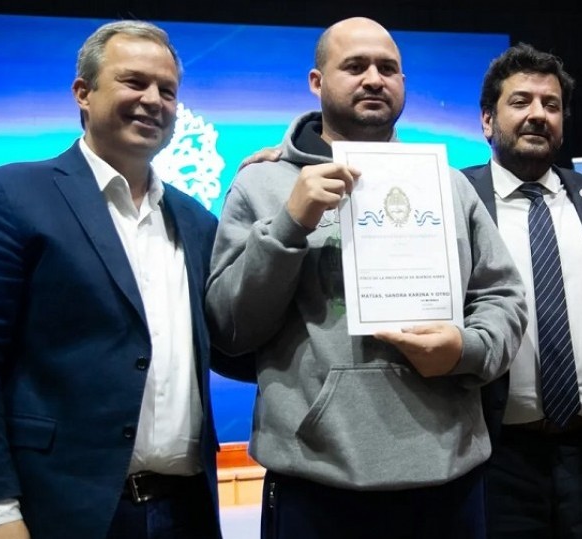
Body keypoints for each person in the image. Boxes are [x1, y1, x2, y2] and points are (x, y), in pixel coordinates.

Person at [205, 16, 527, 539]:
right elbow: (230, 329)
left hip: (448, 477)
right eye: (354, 66)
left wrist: (464, 348)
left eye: (388, 68)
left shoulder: (448, 185)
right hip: (314, 483)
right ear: (317, 82)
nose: (374, 78)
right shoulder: (261, 185)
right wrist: (291, 222)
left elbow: (502, 297)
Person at [0, 21, 222, 539]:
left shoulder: (197, 222)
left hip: (186, 512)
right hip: (55, 513)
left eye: (167, 90)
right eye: (133, 82)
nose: (153, 100)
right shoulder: (8, 196)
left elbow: (234, 341)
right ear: (83, 93)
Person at [461, 44, 582, 538]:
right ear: (487, 121)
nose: (538, 114)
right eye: (520, 102)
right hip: (497, 454)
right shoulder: (455, 197)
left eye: (551, 105)